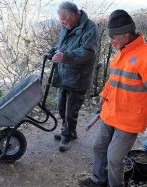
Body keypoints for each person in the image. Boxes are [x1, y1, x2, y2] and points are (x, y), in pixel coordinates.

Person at [78, 10, 147, 187]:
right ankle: (98, 180)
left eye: (114, 37)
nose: (112, 41)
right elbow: (112, 80)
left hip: (129, 119)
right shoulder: (120, 55)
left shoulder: (144, 56)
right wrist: (103, 95)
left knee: (114, 158)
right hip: (110, 113)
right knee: (99, 148)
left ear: (126, 34)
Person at [50, 1, 98, 152]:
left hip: (79, 77)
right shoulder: (66, 26)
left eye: (64, 19)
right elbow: (62, 46)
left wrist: (65, 57)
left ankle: (67, 135)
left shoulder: (90, 28)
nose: (62, 23)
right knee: (61, 106)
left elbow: (88, 53)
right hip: (64, 74)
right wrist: (53, 52)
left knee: (71, 110)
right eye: (61, 20)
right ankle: (70, 131)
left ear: (74, 15)